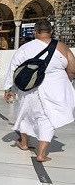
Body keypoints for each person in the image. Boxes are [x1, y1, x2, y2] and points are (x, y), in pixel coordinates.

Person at [4, 19, 75, 162]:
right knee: (47, 119)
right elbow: (72, 69)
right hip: (55, 88)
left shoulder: (25, 48)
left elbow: (13, 69)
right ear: (51, 31)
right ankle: (41, 154)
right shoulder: (62, 47)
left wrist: (9, 89)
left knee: (26, 115)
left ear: (35, 32)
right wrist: (65, 82)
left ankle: (24, 144)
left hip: (30, 87)